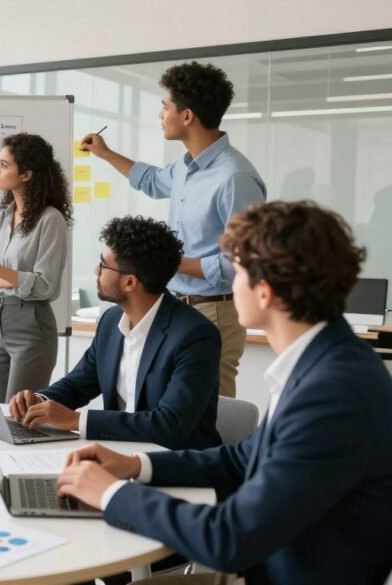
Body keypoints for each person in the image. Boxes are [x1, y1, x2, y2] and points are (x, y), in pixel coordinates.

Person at [56, 201, 392, 585]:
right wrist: (133, 466)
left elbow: (230, 537)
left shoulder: (333, 392)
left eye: (236, 274)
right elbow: (242, 458)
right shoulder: (321, 363)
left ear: (264, 292)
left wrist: (113, 494)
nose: (229, 288)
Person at [80, 61, 266, 399]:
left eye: (165, 105)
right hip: (177, 303)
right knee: (171, 404)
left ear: (187, 116)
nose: (160, 113)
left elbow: (241, 263)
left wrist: (163, 262)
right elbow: (150, 180)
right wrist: (105, 153)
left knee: (212, 409)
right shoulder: (186, 166)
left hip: (216, 309)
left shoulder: (234, 178)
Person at [9, 216, 222, 450]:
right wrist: (39, 401)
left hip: (175, 465)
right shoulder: (111, 322)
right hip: (118, 453)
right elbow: (78, 385)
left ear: (130, 282)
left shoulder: (195, 336)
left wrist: (76, 420)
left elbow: (169, 425)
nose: (96, 270)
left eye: (103, 265)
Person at [0, 133, 71, 403]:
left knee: (20, 415)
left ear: (26, 174)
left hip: (31, 325)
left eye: (4, 165)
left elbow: (45, 286)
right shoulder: (3, 215)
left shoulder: (50, 220)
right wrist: (7, 277)